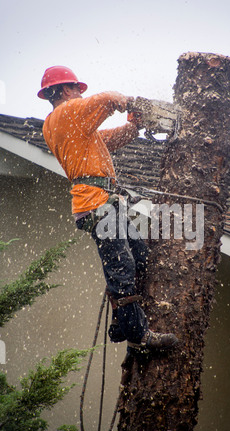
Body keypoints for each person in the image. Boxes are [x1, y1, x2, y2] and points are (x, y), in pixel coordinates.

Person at [38, 65, 178, 353]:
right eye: (77, 89)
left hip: (104, 204)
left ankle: (122, 320)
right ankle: (139, 338)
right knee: (122, 266)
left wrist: (135, 125)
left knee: (139, 257)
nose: (80, 94)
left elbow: (108, 140)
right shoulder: (65, 114)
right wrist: (132, 102)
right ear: (66, 90)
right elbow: (106, 99)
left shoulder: (71, 126)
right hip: (96, 205)